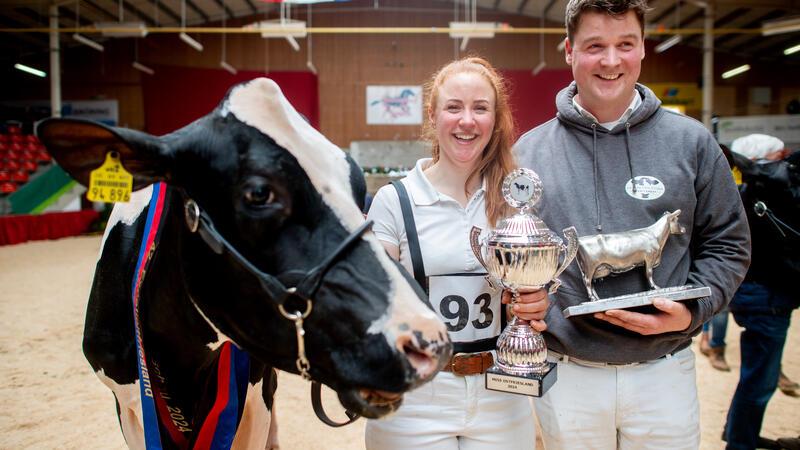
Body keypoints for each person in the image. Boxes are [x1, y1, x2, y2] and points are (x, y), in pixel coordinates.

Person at [513, 0, 752, 448]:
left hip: (664, 373)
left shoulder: (692, 143)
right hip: (569, 376)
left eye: (625, 44)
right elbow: (518, 260)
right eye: (594, 46)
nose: (610, 61)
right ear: (569, 50)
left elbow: (728, 243)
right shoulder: (529, 154)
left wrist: (692, 311)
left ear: (643, 48)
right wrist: (522, 300)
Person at [365, 57, 543, 449]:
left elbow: (531, 291)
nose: (467, 120)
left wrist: (532, 303)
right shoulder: (394, 202)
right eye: (454, 107)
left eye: (480, 108)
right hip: (414, 396)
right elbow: (374, 304)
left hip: (502, 391)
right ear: (433, 115)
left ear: (495, 120)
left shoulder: (516, 202)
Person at [723, 136, 800, 450]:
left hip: (757, 292)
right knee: (760, 379)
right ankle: (740, 442)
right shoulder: (770, 192)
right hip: (766, 295)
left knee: (757, 373)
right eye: (778, 156)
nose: (785, 161)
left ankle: (737, 433)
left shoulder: (743, 194)